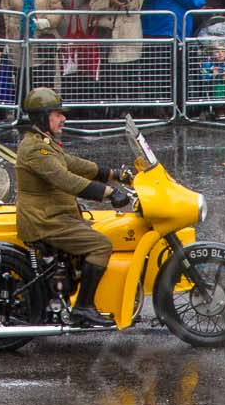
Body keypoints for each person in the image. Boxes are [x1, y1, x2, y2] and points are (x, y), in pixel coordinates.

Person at [14, 87, 135, 328]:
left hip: (53, 215)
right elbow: (66, 179)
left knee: (97, 231)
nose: (63, 118)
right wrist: (110, 193)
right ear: (42, 117)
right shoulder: (35, 149)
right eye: (58, 114)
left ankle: (72, 292)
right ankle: (83, 308)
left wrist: (113, 174)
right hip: (45, 220)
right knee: (101, 244)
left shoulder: (43, 142)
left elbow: (73, 164)